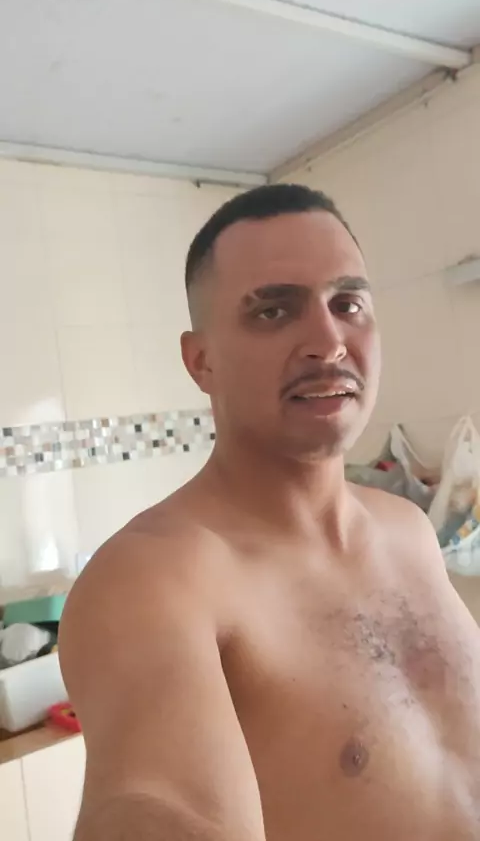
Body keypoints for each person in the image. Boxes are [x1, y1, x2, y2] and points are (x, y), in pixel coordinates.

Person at [60, 184, 480, 841]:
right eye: (274, 311)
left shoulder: (408, 530)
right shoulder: (154, 580)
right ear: (201, 361)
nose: (329, 342)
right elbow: (151, 803)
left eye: (348, 304)